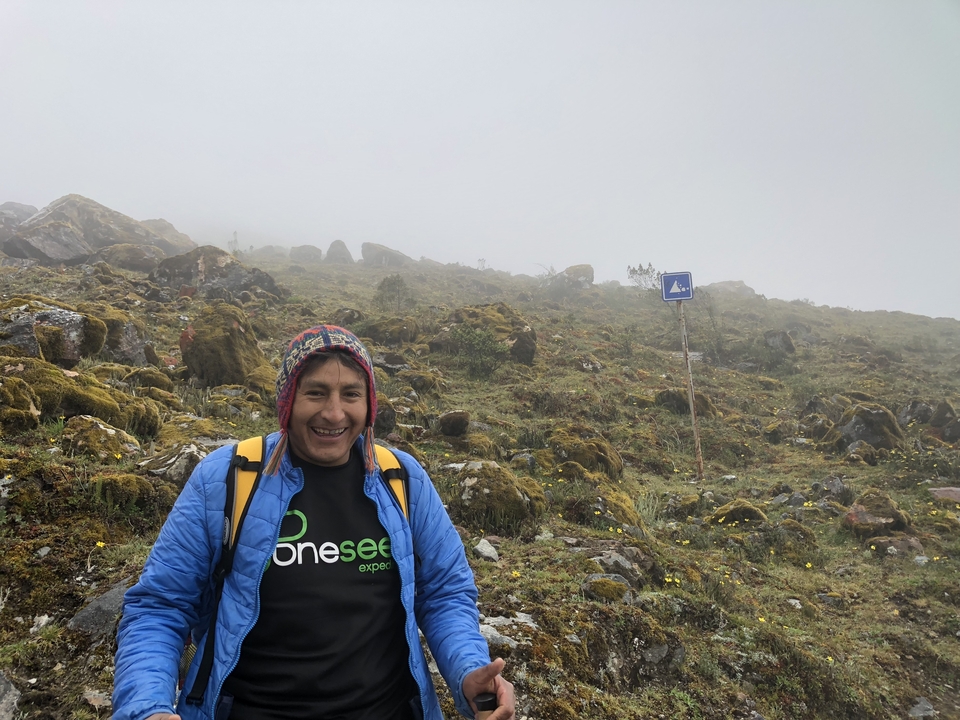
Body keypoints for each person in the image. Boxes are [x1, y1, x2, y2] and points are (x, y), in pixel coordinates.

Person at [113, 325, 516, 720]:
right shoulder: (228, 478)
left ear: (369, 404)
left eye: (351, 394)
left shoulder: (401, 478)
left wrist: (468, 671)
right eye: (316, 392)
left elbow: (445, 593)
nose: (334, 413)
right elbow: (160, 606)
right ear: (288, 400)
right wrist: (148, 707)